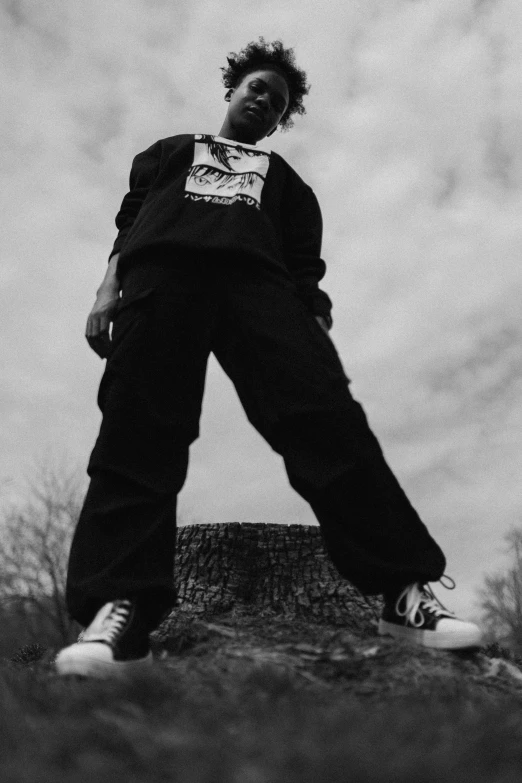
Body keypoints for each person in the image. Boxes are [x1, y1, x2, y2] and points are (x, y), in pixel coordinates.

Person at [55, 38, 481, 678]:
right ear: (232, 91)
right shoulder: (171, 152)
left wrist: (315, 339)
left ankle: (403, 592)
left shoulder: (287, 183)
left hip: (258, 289)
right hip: (161, 282)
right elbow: (131, 223)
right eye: (257, 87)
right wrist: (105, 289)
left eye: (277, 102)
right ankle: (121, 614)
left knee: (328, 423)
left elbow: (306, 271)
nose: (264, 100)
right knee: (138, 433)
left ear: (281, 121)